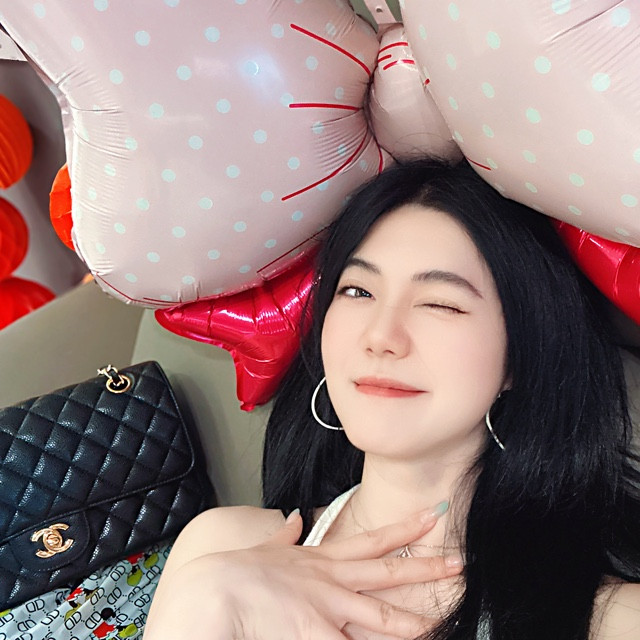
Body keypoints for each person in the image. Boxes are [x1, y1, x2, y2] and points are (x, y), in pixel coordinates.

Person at [144, 158, 640, 639]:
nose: (381, 336)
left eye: (440, 303)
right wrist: (204, 601)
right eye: (357, 291)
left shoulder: (614, 621)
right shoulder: (220, 553)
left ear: (520, 356)